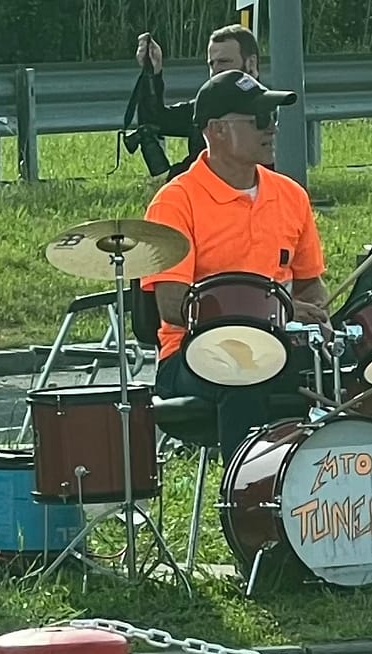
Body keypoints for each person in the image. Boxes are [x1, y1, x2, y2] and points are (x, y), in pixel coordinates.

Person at [140, 70, 331, 459]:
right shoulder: (175, 201)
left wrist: (320, 317)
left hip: (279, 346)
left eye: (273, 118)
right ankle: (246, 502)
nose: (272, 128)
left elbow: (312, 284)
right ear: (217, 130)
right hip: (191, 356)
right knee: (244, 371)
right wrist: (277, 311)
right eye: (259, 119)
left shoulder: (291, 195)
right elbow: (173, 307)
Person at [130, 24, 262, 176]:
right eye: (212, 64)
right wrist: (152, 73)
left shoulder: (273, 113)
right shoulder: (205, 109)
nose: (216, 70)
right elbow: (155, 120)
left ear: (251, 64)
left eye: (224, 62)